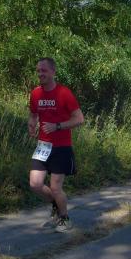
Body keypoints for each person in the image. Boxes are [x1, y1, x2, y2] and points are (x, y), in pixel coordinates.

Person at [28, 57, 84, 232]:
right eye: (38, 70)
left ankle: (65, 218)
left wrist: (57, 126)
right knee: (35, 184)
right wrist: (31, 124)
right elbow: (33, 114)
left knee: (55, 187)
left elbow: (79, 119)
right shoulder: (35, 93)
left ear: (53, 72)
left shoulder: (64, 93)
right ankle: (56, 204)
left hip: (61, 147)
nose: (40, 74)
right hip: (43, 146)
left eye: (44, 70)